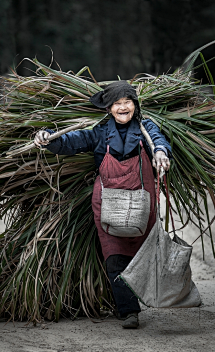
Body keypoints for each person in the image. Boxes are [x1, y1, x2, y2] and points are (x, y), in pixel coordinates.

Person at [34, 81, 172, 329]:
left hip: (142, 203)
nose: (122, 107)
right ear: (109, 109)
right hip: (108, 205)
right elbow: (72, 141)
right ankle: (129, 311)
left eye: (127, 102)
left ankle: (151, 294)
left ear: (134, 105)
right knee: (114, 258)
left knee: (143, 252)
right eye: (117, 103)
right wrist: (48, 140)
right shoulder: (99, 132)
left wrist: (161, 153)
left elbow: (158, 141)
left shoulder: (145, 127)